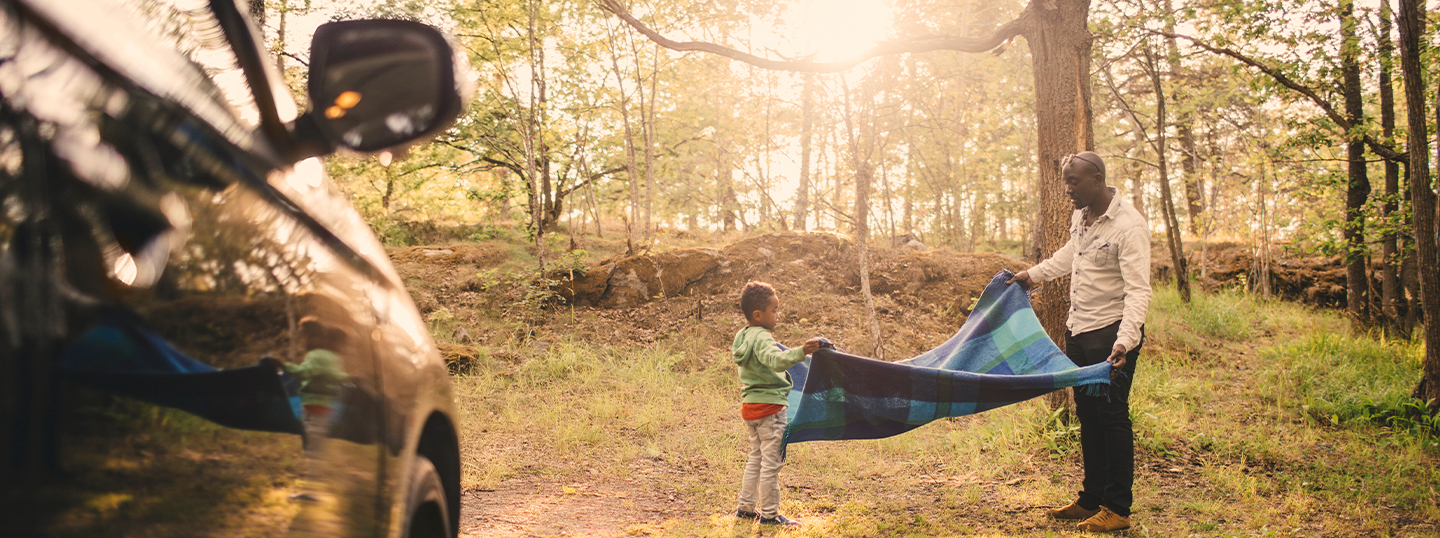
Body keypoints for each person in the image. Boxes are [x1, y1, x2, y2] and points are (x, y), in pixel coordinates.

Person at [1007, 151, 1152, 533]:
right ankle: (1091, 500)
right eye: (1064, 181)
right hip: (1079, 330)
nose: (1067, 189)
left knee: (1112, 417)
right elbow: (1072, 254)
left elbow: (1139, 291)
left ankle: (1118, 508)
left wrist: (1125, 342)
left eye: (1073, 182)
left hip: (1111, 335)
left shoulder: (1128, 226)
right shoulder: (1081, 216)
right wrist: (1032, 276)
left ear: (1098, 179)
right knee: (1088, 415)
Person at [732, 281, 821, 527]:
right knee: (771, 464)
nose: (777, 315)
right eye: (774, 310)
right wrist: (801, 352)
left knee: (755, 458)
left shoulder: (743, 335)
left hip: (751, 407)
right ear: (758, 315)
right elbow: (775, 360)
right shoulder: (762, 337)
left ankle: (746, 508)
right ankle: (770, 515)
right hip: (770, 410)